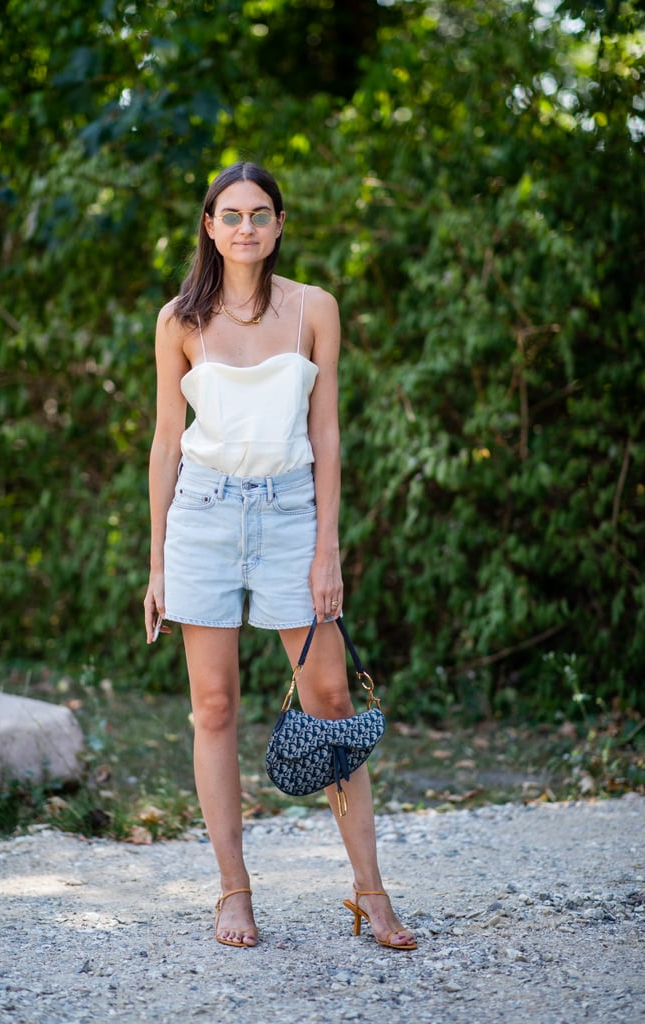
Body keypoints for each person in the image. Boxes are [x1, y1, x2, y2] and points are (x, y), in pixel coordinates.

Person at [143, 162, 417, 952]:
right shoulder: (179, 320)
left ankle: (371, 891)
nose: (246, 229)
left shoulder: (313, 310)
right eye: (230, 215)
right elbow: (166, 441)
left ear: (278, 225)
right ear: (209, 226)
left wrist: (328, 547)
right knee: (216, 706)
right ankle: (234, 893)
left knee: (330, 701)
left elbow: (326, 434)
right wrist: (157, 561)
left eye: (260, 215)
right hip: (203, 516)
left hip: (292, 517)